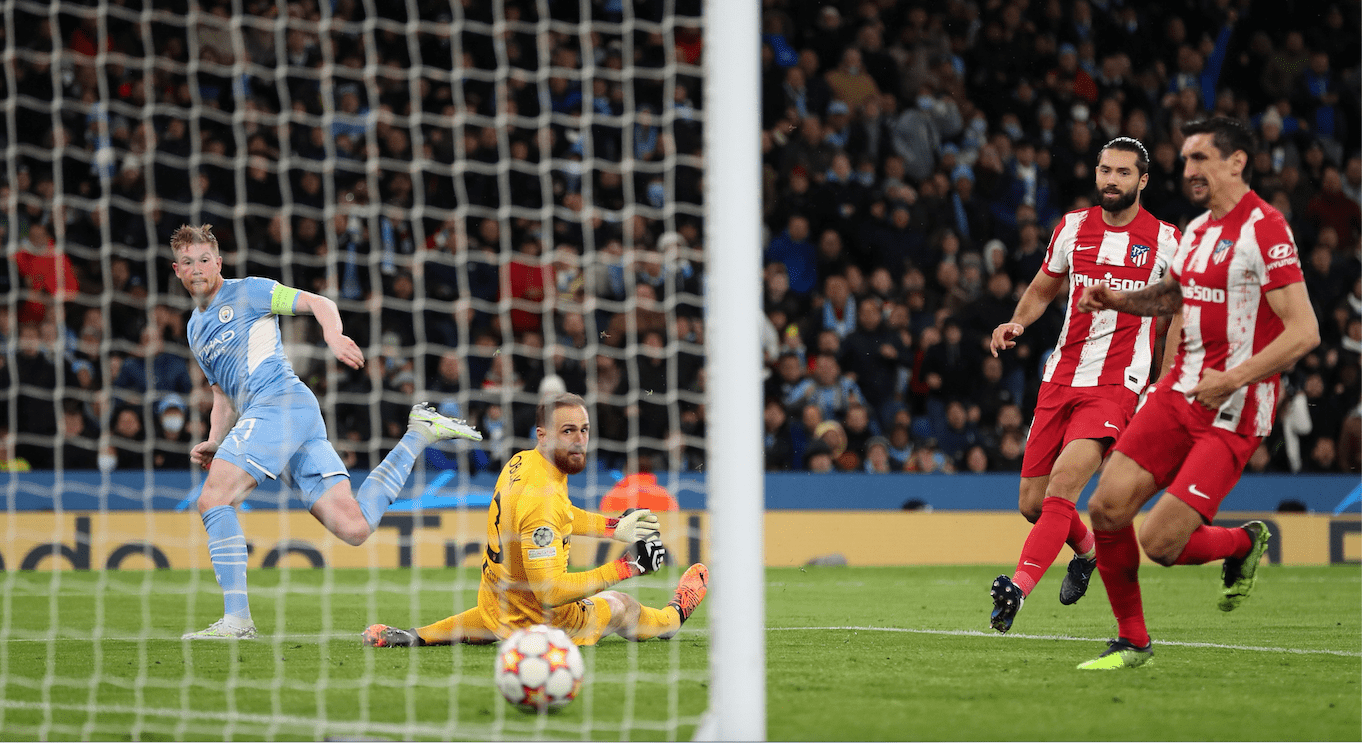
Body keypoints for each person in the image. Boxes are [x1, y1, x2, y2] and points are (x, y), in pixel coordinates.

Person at [1073, 117, 1319, 669]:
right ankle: (1133, 641)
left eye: (1201, 158)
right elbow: (1173, 296)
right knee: (1107, 508)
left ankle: (1241, 543)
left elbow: (1305, 331)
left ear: (1237, 162)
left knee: (1160, 544)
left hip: (1233, 407)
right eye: (1185, 160)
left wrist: (1232, 378)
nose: (1189, 170)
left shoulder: (1267, 229)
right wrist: (1115, 297)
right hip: (1177, 392)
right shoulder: (1201, 228)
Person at [171, 224, 484, 640]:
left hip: (279, 403)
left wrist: (333, 336)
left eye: (205, 259)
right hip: (283, 418)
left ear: (219, 263)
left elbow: (319, 301)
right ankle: (418, 434)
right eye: (189, 262)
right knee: (354, 527)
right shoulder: (195, 328)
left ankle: (237, 620)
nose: (198, 268)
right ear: (177, 270)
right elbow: (223, 396)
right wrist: (216, 439)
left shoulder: (249, 291)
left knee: (213, 498)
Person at [987, 137, 1181, 633]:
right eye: (1104, 170)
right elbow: (1043, 287)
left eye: (1122, 173)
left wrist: (1166, 375)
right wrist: (1018, 323)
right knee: (1032, 504)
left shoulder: (1164, 240)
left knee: (1064, 487)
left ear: (1142, 180)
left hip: (1118, 383)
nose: (1110, 180)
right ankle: (1088, 552)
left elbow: (1178, 309)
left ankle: (1018, 589)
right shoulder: (1072, 227)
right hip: (1061, 375)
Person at [362, 393, 708, 648]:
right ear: (543, 434)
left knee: (498, 605)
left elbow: (562, 515)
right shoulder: (541, 498)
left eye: (584, 430)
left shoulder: (523, 463)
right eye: (568, 431)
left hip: (496, 608)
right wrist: (627, 567)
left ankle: (414, 635)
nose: (580, 441)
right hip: (544, 624)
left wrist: (613, 527)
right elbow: (549, 592)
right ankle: (672, 618)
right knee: (623, 606)